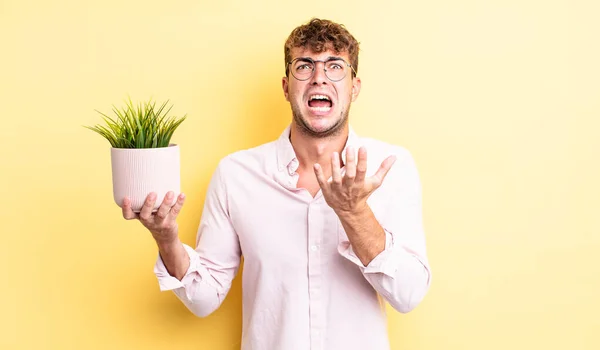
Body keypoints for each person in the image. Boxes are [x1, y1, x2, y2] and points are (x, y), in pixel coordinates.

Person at [122, 18, 432, 350]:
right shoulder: (236, 175)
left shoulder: (390, 169)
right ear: (286, 87)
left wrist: (354, 213)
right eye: (305, 66)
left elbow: (409, 294)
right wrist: (167, 239)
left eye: (335, 67)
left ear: (354, 87)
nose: (319, 78)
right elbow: (204, 298)